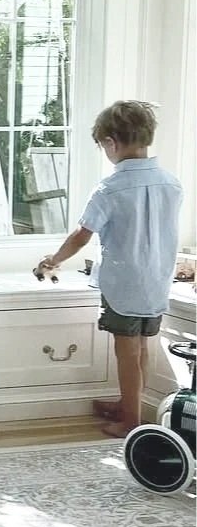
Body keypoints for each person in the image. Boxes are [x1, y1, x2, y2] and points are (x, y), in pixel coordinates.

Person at [35, 100, 183, 439]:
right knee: (142, 347)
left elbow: (82, 234)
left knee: (126, 351)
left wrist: (54, 260)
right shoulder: (171, 184)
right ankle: (130, 402)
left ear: (110, 143)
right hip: (157, 281)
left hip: (124, 283)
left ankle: (131, 420)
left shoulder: (110, 188)